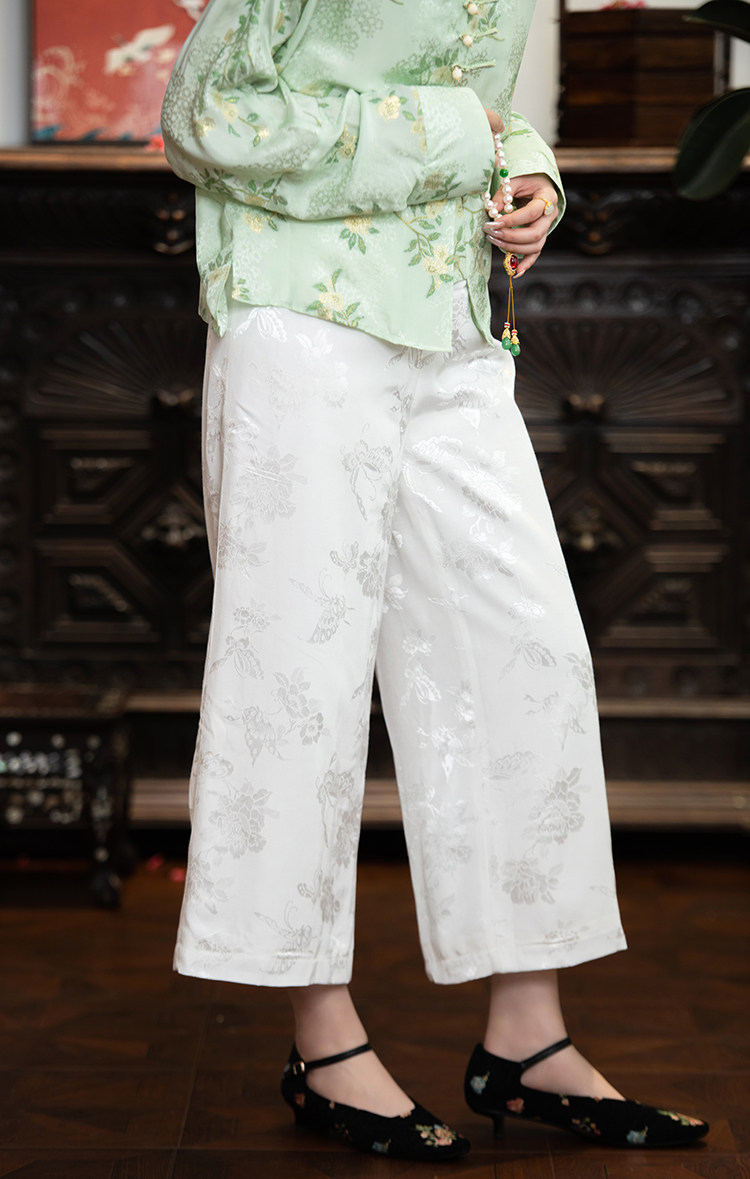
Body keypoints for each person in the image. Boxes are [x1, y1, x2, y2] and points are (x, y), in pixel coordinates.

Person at [161, 0, 708, 1161]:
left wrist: (529, 174)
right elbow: (207, 116)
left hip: (455, 326)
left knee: (526, 655)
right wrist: (460, 141)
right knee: (299, 679)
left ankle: (528, 1038)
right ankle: (323, 1043)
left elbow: (482, 105)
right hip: (301, 316)